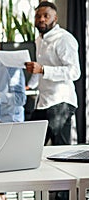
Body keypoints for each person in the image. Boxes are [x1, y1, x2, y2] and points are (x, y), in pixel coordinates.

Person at [25, 1, 81, 146]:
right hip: (43, 101)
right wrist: (29, 86)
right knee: (31, 145)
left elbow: (74, 72)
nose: (42, 19)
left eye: (46, 16)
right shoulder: (39, 40)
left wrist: (43, 69)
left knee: (59, 150)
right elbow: (39, 69)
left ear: (55, 19)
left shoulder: (64, 39)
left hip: (61, 101)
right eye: (38, 16)